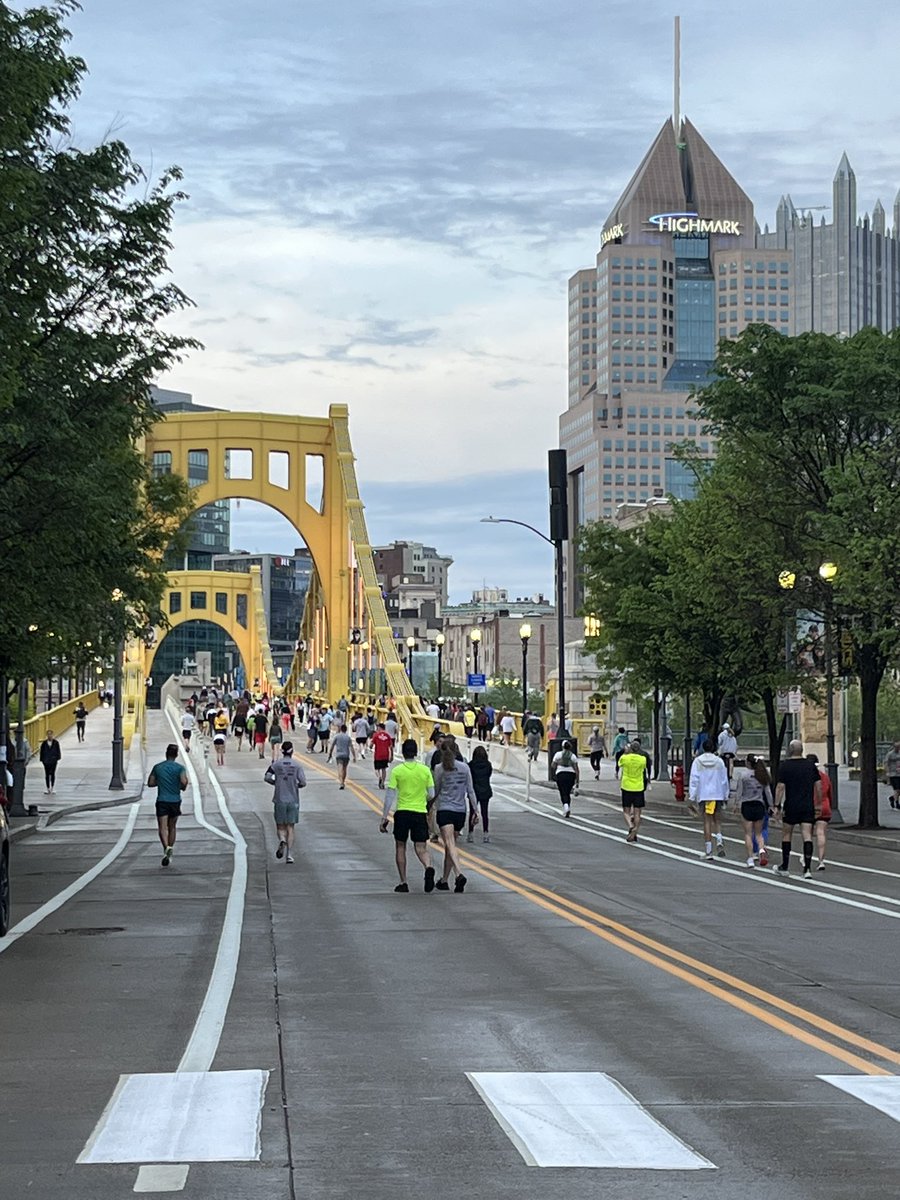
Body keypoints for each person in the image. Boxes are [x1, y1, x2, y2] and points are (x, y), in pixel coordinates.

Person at [380, 739, 436, 893]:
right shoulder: (424, 770)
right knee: (421, 848)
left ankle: (403, 882)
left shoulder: (397, 771)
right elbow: (431, 794)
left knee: (400, 846)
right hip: (419, 812)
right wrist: (421, 800)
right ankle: (429, 867)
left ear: (403, 753)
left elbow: (390, 796)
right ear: (416, 752)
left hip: (403, 812)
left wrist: (384, 817)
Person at [432, 741, 477, 892]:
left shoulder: (439, 769)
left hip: (445, 809)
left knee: (450, 844)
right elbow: (470, 790)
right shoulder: (465, 767)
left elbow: (436, 790)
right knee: (450, 847)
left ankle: (459, 874)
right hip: (460, 811)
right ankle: (444, 880)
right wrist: (475, 811)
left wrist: (428, 805)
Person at [774, 739, 821, 880]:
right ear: (802, 750)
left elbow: (780, 787)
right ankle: (807, 868)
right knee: (807, 835)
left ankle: (785, 866)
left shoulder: (785, 766)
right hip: (807, 805)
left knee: (787, 834)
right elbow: (818, 785)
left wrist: (777, 805)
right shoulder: (810, 765)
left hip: (791, 805)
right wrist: (818, 804)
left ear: (790, 750)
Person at [265, 742, 307, 864]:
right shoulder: (297, 765)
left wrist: (276, 783)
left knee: (280, 825)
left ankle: (282, 839)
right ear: (292, 751)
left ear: (282, 751)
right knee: (290, 827)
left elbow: (267, 777)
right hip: (293, 799)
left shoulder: (276, 765)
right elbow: (303, 782)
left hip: (279, 799)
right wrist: (296, 785)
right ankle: (289, 854)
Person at [148, 744, 188, 867]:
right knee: (172, 827)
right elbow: (183, 783)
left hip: (162, 800)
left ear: (166, 754)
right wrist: (181, 786)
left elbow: (150, 783)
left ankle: (166, 849)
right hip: (175, 800)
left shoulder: (157, 767)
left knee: (162, 828)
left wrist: (161, 782)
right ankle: (170, 847)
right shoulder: (180, 768)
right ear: (176, 755)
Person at [689, 738, 730, 860]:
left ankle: (708, 850)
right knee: (717, 820)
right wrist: (725, 795)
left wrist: (692, 796)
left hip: (704, 795)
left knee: (707, 821)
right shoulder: (719, 762)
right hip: (717, 794)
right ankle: (719, 840)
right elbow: (724, 780)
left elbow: (694, 780)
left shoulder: (698, 762)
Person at [734, 755, 773, 868]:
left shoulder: (743, 775)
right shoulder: (761, 775)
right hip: (759, 804)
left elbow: (739, 791)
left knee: (748, 833)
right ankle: (761, 850)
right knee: (758, 834)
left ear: (748, 763)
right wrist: (771, 805)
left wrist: (737, 803)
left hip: (747, 805)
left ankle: (750, 858)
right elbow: (768, 792)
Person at [618, 740, 650, 842]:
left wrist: (626, 752)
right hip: (639, 787)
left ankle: (631, 825)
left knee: (626, 811)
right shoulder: (642, 759)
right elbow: (645, 768)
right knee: (637, 812)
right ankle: (635, 831)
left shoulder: (625, 758)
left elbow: (620, 764)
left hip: (626, 786)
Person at [806, 752, 832, 871]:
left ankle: (807, 857)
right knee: (821, 833)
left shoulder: (805, 777)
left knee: (808, 834)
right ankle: (821, 860)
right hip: (824, 806)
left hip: (810, 806)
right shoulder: (824, 776)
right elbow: (830, 793)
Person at [469, 744, 493, 843]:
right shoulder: (488, 765)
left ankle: (470, 834)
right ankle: (486, 833)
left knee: (472, 812)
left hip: (474, 791)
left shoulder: (471, 765)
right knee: (485, 813)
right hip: (485, 790)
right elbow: (489, 775)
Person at [551, 740, 579, 817]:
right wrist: (577, 782)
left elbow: (553, 765)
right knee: (567, 792)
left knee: (563, 792)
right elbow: (576, 769)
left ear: (562, 746)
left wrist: (558, 765)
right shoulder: (573, 756)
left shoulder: (558, 755)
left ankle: (566, 806)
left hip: (561, 774)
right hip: (571, 775)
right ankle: (567, 807)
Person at [327, 723, 356, 788]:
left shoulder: (337, 736)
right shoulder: (348, 737)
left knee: (340, 769)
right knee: (344, 769)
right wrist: (354, 756)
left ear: (340, 729)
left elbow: (332, 746)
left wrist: (330, 754)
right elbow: (351, 747)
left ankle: (341, 782)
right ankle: (343, 780)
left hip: (339, 755)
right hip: (346, 755)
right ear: (346, 730)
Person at [371, 722, 394, 789]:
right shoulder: (388, 736)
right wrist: (391, 755)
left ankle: (379, 777)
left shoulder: (376, 735)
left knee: (377, 769)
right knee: (384, 769)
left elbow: (371, 745)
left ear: (379, 728)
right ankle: (383, 782)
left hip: (378, 755)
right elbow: (391, 746)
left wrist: (370, 746)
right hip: (385, 755)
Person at [884, 741, 900, 809]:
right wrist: (887, 772)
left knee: (899, 790)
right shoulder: (890, 754)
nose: (897, 748)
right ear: (894, 747)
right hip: (893, 774)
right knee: (897, 789)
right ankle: (897, 803)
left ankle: (892, 798)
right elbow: (886, 763)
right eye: (896, 747)